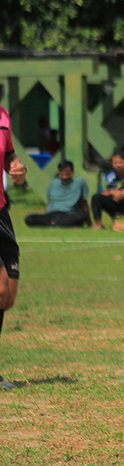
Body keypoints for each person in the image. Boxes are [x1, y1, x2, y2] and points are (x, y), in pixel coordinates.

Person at [1, 104, 27, 389]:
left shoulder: (3, 116)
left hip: (1, 213)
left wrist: (15, 166)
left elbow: (8, 154)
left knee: (7, 297)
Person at [23, 161, 90, 227]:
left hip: (69, 214)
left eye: (67, 174)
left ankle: (53, 224)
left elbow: (84, 203)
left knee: (82, 216)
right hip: (52, 214)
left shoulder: (80, 182)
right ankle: (56, 224)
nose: (64, 177)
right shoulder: (54, 183)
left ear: (72, 173)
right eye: (61, 174)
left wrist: (89, 222)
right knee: (29, 219)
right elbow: (49, 202)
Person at [91, 153, 124, 231]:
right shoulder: (107, 176)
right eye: (116, 163)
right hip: (112, 202)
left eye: (121, 162)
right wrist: (112, 192)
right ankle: (98, 224)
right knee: (96, 197)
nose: (118, 165)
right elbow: (102, 192)